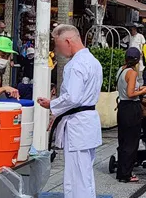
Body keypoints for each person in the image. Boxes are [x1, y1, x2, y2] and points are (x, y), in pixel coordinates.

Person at [37, 25, 103, 198]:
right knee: (84, 173)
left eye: (58, 45)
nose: (57, 50)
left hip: (78, 124)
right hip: (87, 121)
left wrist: (52, 104)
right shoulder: (93, 62)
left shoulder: (75, 65)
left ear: (68, 41)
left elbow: (73, 97)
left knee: (76, 176)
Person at [115, 47, 146, 183]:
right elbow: (131, 93)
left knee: (123, 140)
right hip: (131, 107)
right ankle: (127, 173)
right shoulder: (132, 73)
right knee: (132, 141)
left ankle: (121, 171)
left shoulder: (121, 70)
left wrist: (138, 89)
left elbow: (125, 90)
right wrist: (143, 91)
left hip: (122, 106)